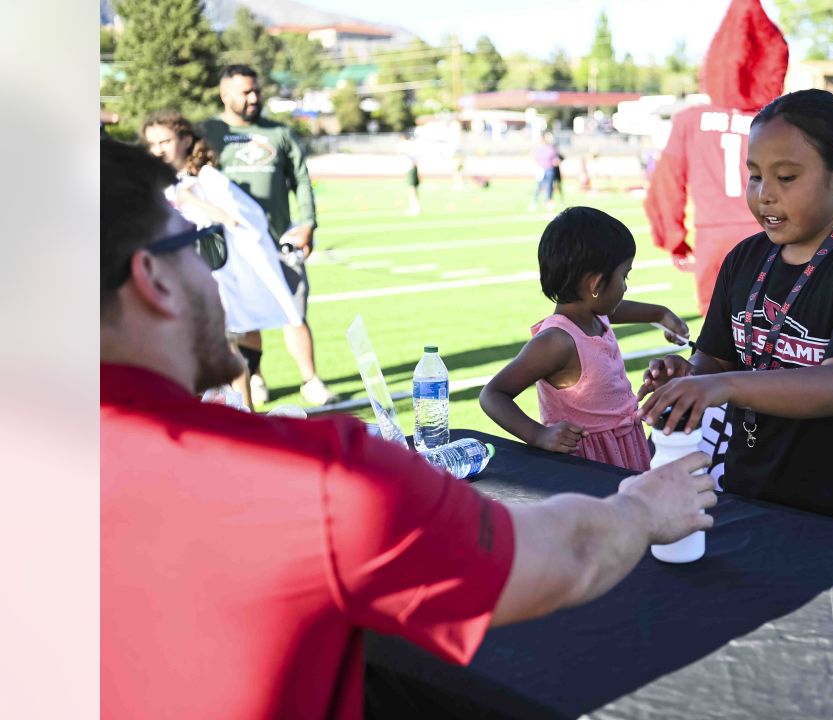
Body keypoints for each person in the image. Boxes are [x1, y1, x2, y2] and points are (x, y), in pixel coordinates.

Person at [100, 138, 716, 718]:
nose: (217, 272)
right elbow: (562, 556)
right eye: (206, 245)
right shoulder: (314, 479)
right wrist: (642, 508)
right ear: (154, 280)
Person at [639, 89, 833, 532]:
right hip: (748, 485)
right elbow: (716, 358)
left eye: (786, 177)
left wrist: (721, 385)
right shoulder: (744, 259)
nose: (765, 195)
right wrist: (688, 376)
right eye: (754, 176)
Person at [480, 207, 690, 472]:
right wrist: (538, 435)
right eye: (624, 276)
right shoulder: (558, 341)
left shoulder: (596, 316)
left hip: (625, 446)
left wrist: (663, 314)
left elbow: (624, 308)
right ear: (595, 284)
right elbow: (493, 394)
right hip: (588, 463)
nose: (625, 286)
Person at [142, 109, 302, 411]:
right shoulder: (161, 181)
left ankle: (247, 416)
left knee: (224, 348)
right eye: (153, 144)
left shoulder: (207, 178)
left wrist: (190, 199)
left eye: (165, 141)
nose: (158, 150)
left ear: (186, 139)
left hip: (212, 277)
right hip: (174, 280)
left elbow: (238, 220)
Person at [201, 64, 336, 407]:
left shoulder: (279, 133)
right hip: (237, 246)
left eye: (255, 90)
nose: (253, 97)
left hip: (280, 239)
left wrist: (308, 222)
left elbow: (303, 180)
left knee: (294, 311)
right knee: (245, 317)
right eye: (244, 92)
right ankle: (256, 377)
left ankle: (311, 380)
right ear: (224, 94)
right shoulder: (209, 132)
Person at [644, 0, 789, 316]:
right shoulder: (779, 120)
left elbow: (667, 184)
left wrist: (674, 238)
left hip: (713, 238)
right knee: (777, 331)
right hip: (770, 233)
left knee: (715, 338)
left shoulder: (690, 119)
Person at [530, 132, 559, 210]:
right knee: (539, 186)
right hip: (541, 169)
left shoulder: (551, 147)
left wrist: (555, 161)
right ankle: (534, 202)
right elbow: (535, 158)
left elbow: (555, 158)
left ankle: (547, 202)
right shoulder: (539, 148)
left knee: (549, 187)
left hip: (550, 169)